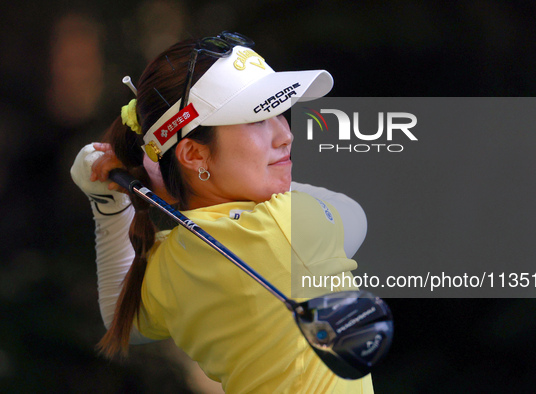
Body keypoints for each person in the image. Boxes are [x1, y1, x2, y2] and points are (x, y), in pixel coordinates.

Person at [71, 32, 371, 393]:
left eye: (279, 112)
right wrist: (162, 180)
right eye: (257, 119)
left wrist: (108, 203)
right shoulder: (287, 224)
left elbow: (121, 315)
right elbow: (355, 215)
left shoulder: (171, 263)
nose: (285, 135)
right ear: (194, 155)